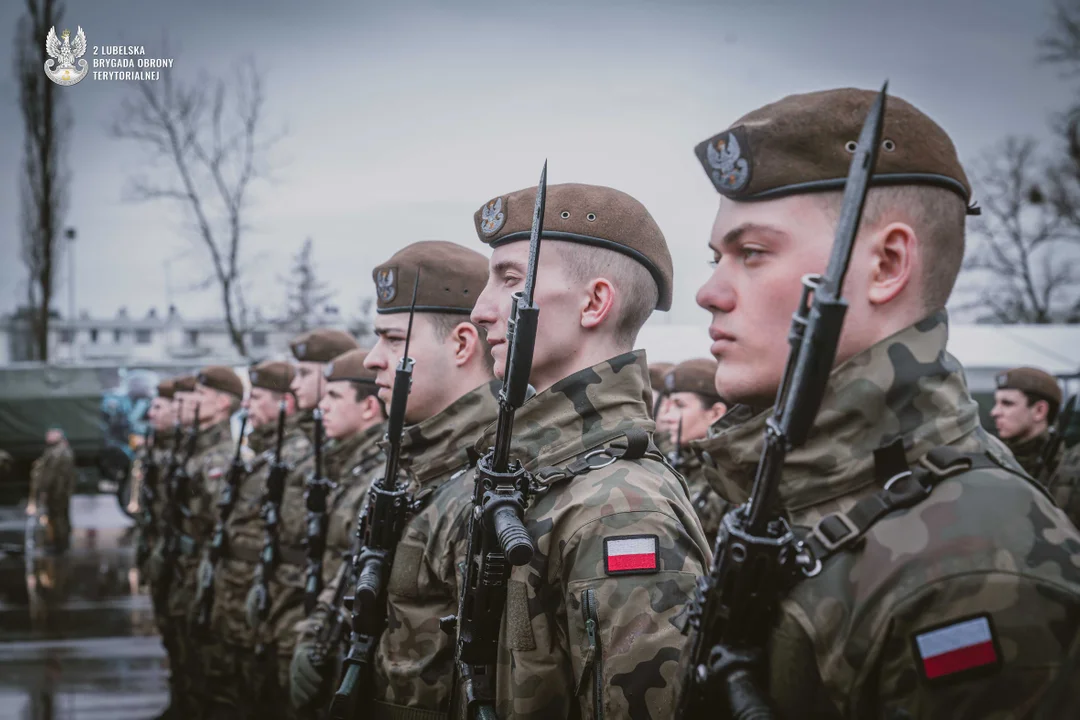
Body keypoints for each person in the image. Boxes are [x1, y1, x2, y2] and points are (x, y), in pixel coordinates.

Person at [690, 87, 1080, 717]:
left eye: (752, 253)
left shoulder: (974, 571)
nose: (709, 292)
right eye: (717, 257)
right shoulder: (791, 487)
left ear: (887, 264)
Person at [467, 182, 711, 718]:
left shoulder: (619, 507)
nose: (482, 310)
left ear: (595, 302)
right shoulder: (549, 475)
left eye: (509, 279)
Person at [289, 240, 499, 717]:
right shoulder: (411, 465)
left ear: (463, 343)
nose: (371, 359)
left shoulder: (496, 483)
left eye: (393, 339)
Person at [250, 328, 358, 719]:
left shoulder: (335, 451)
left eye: (304, 374)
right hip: (292, 602)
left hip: (314, 608)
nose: (293, 385)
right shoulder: (316, 446)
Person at [210, 360, 297, 720]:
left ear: (285, 404)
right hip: (242, 595)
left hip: (273, 608)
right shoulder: (263, 456)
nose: (246, 406)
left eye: (256, 397)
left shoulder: (292, 459)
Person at [170, 365, 244, 719]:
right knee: (188, 655)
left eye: (199, 397)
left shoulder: (223, 457)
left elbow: (222, 527)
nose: (190, 405)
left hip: (207, 571)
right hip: (187, 567)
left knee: (210, 665)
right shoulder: (195, 449)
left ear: (221, 403)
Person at [655, 358, 728, 544]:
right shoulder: (679, 458)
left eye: (680, 406)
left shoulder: (735, 474)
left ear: (715, 413)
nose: (669, 417)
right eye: (669, 406)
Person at [991, 366, 1064, 478]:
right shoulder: (992, 456)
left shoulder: (1066, 467)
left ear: (1039, 411)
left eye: (1007, 403)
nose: (994, 412)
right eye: (996, 403)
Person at [27, 427, 76, 555]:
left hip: (57, 492)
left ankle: (60, 544)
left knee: (58, 517)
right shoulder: (63, 451)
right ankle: (61, 543)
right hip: (61, 492)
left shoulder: (57, 452)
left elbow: (50, 475)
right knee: (61, 517)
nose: (48, 436)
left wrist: (44, 490)